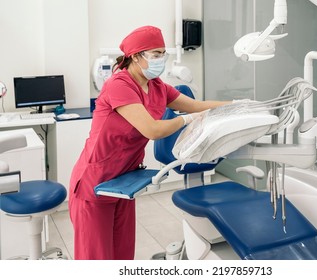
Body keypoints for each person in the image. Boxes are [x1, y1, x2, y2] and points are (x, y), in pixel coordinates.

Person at [68, 25, 231, 260]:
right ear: (136, 56)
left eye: (163, 53)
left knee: (123, 256)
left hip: (125, 181)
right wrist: (187, 119)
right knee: (96, 260)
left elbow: (197, 105)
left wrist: (235, 105)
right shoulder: (119, 85)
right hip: (95, 183)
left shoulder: (157, 87)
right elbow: (152, 130)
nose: (161, 59)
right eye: (156, 54)